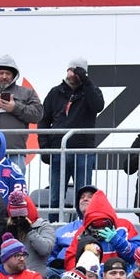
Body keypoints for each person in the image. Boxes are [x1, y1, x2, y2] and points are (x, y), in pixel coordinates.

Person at [39, 59, 105, 218]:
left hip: (83, 152)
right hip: (58, 152)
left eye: (76, 71)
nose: (72, 74)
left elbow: (98, 106)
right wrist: (45, 148)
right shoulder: (55, 92)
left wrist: (86, 81)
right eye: (70, 70)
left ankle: (83, 228)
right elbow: (43, 120)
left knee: (84, 197)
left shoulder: (91, 91)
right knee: (55, 197)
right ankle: (54, 229)